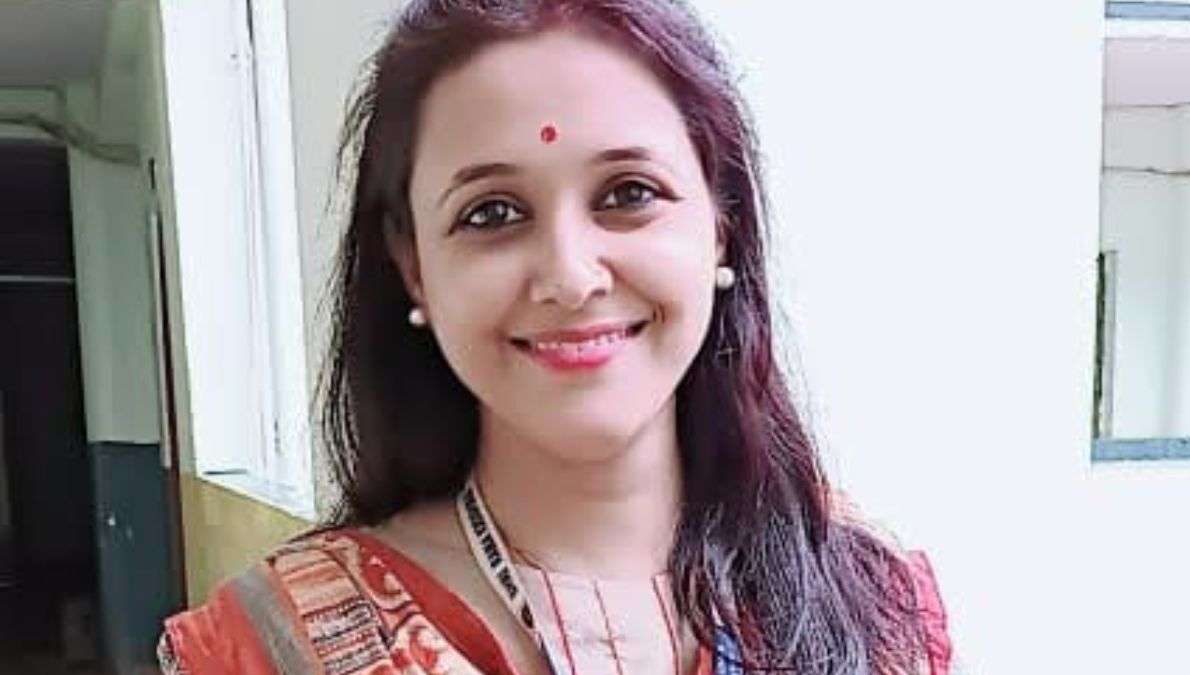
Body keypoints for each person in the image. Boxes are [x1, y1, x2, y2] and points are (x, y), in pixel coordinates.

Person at [158, 0, 956, 673]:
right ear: (413, 267)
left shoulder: (875, 608)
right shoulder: (264, 646)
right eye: (492, 213)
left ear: (722, 225)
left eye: (629, 193)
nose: (571, 276)